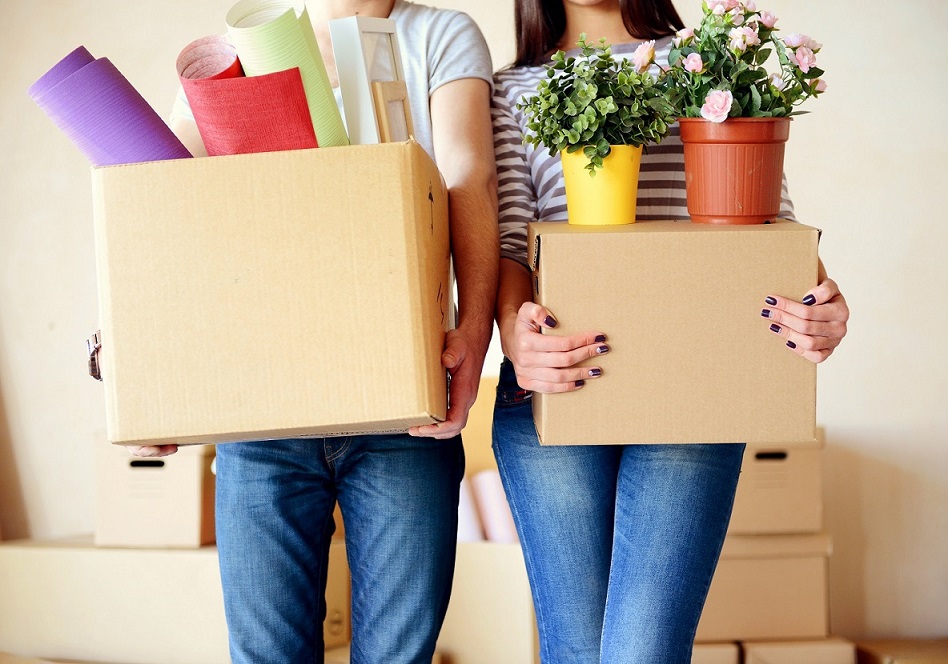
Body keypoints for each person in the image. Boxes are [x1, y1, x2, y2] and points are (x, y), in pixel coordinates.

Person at [133, 2, 498, 663]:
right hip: (266, 410)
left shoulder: (437, 34)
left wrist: (474, 333)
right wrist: (141, 360)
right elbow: (164, 203)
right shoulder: (234, 52)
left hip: (403, 408)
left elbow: (469, 176)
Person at [490, 0, 850, 661]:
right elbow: (512, 244)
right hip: (559, 382)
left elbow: (768, 222)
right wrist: (516, 337)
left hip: (694, 390)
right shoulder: (513, 89)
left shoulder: (710, 63)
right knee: (577, 650)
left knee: (643, 653)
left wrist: (819, 303)